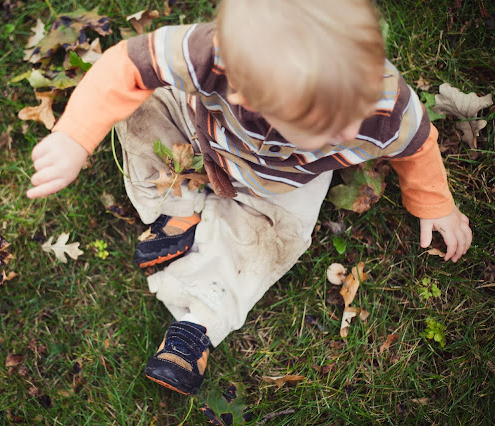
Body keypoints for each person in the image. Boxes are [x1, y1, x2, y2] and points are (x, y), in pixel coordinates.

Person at [26, 0, 473, 395]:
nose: (344, 135)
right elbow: (124, 66)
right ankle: (178, 204)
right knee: (142, 107)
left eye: (351, 114)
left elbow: (418, 145)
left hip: (279, 185)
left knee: (274, 241)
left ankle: (198, 320)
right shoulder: (210, 56)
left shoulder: (385, 107)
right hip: (205, 135)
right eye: (321, 126)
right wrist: (74, 137)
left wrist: (436, 203)